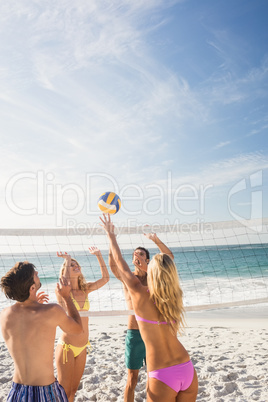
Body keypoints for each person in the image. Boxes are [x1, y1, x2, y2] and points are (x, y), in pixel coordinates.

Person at [101, 214, 198, 402]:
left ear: (150, 269)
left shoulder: (138, 292)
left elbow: (119, 262)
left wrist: (111, 236)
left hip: (163, 374)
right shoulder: (174, 296)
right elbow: (168, 262)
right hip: (187, 368)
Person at [0, 261, 83, 401]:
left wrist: (34, 304)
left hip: (17, 391)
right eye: (35, 274)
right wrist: (67, 297)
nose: (38, 274)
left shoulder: (5, 314)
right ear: (32, 288)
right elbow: (77, 329)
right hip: (45, 391)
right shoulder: (51, 311)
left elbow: (26, 322)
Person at [109, 232, 174, 402]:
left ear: (148, 260)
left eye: (141, 254)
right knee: (132, 378)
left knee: (153, 377)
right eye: (134, 254)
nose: (137, 256)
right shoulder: (129, 279)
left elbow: (169, 258)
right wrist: (111, 240)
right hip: (135, 333)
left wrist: (156, 240)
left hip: (153, 334)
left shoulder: (155, 277)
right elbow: (114, 265)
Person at [55, 247, 109, 402]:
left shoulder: (85, 289)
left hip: (83, 347)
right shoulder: (62, 292)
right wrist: (67, 259)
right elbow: (64, 283)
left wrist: (99, 255)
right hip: (67, 348)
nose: (75, 265)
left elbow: (106, 278)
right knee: (64, 392)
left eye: (76, 264)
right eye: (71, 265)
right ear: (65, 270)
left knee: (73, 391)